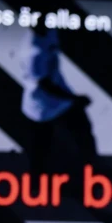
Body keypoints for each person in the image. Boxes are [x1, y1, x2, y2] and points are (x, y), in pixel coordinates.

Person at [20, 22, 96, 175]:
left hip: (59, 101)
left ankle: (94, 170)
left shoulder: (50, 30)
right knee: (41, 148)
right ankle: (36, 184)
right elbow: (45, 85)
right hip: (40, 108)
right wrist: (74, 98)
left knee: (83, 131)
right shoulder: (33, 52)